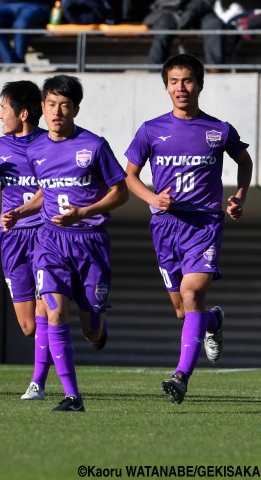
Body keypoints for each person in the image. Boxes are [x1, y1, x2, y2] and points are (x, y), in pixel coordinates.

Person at [124, 53, 252, 404]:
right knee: (183, 309)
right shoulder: (151, 130)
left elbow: (244, 160)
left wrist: (239, 196)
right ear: (166, 86)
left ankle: (181, 376)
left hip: (204, 224)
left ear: (200, 83)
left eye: (188, 80)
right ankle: (214, 320)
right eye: (174, 82)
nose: (181, 88)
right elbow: (130, 176)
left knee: (193, 293)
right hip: (165, 226)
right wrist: (152, 197)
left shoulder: (219, 130)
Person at [1, 74, 128, 412]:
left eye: (65, 105)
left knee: (88, 329)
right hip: (51, 242)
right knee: (54, 314)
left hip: (91, 243)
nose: (57, 111)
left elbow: (120, 192)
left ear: (75, 109)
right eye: (52, 104)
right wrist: (20, 211)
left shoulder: (95, 146)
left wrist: (85, 211)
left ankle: (99, 328)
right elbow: (45, 191)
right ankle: (73, 395)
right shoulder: (36, 148)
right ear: (42, 107)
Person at [0, 80, 51, 401]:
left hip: (47, 236)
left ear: (24, 113)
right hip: (12, 240)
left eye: (4, 108)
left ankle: (38, 382)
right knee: (28, 326)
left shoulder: (51, 144)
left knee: (47, 309)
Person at [143, 0, 224, 67]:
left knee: (214, 23)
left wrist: (193, 9)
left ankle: (215, 68)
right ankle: (155, 71)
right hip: (167, 10)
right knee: (162, 27)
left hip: (200, 9)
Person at [0, 0, 52, 69]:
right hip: (6, 5)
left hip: (36, 4)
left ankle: (18, 63)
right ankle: (11, 62)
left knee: (21, 25)